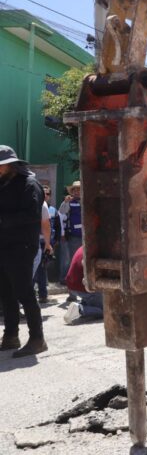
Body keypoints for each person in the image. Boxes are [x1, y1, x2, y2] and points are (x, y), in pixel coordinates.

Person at [0, 145, 48, 357]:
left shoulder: (29, 184)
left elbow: (32, 215)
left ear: (11, 165)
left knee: (24, 292)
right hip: (4, 246)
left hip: (21, 246)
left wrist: (2, 220)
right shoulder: (4, 184)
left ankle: (37, 339)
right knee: (6, 293)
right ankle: (11, 336)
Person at [63, 246, 103, 325]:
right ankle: (80, 309)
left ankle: (80, 305)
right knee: (106, 311)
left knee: (93, 300)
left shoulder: (87, 244)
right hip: (83, 286)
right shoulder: (100, 248)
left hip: (71, 284)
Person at [33, 186, 55, 303]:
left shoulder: (51, 209)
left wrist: (49, 243)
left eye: (48, 193)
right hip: (35, 242)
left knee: (41, 270)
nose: (46, 195)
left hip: (41, 243)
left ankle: (42, 295)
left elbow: (53, 226)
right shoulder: (41, 204)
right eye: (44, 193)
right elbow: (46, 225)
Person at [59, 181, 82, 285]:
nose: (77, 192)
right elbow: (61, 213)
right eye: (75, 190)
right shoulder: (68, 202)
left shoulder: (87, 200)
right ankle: (69, 282)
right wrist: (65, 202)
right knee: (72, 260)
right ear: (72, 192)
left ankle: (80, 281)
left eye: (79, 189)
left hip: (86, 237)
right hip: (74, 237)